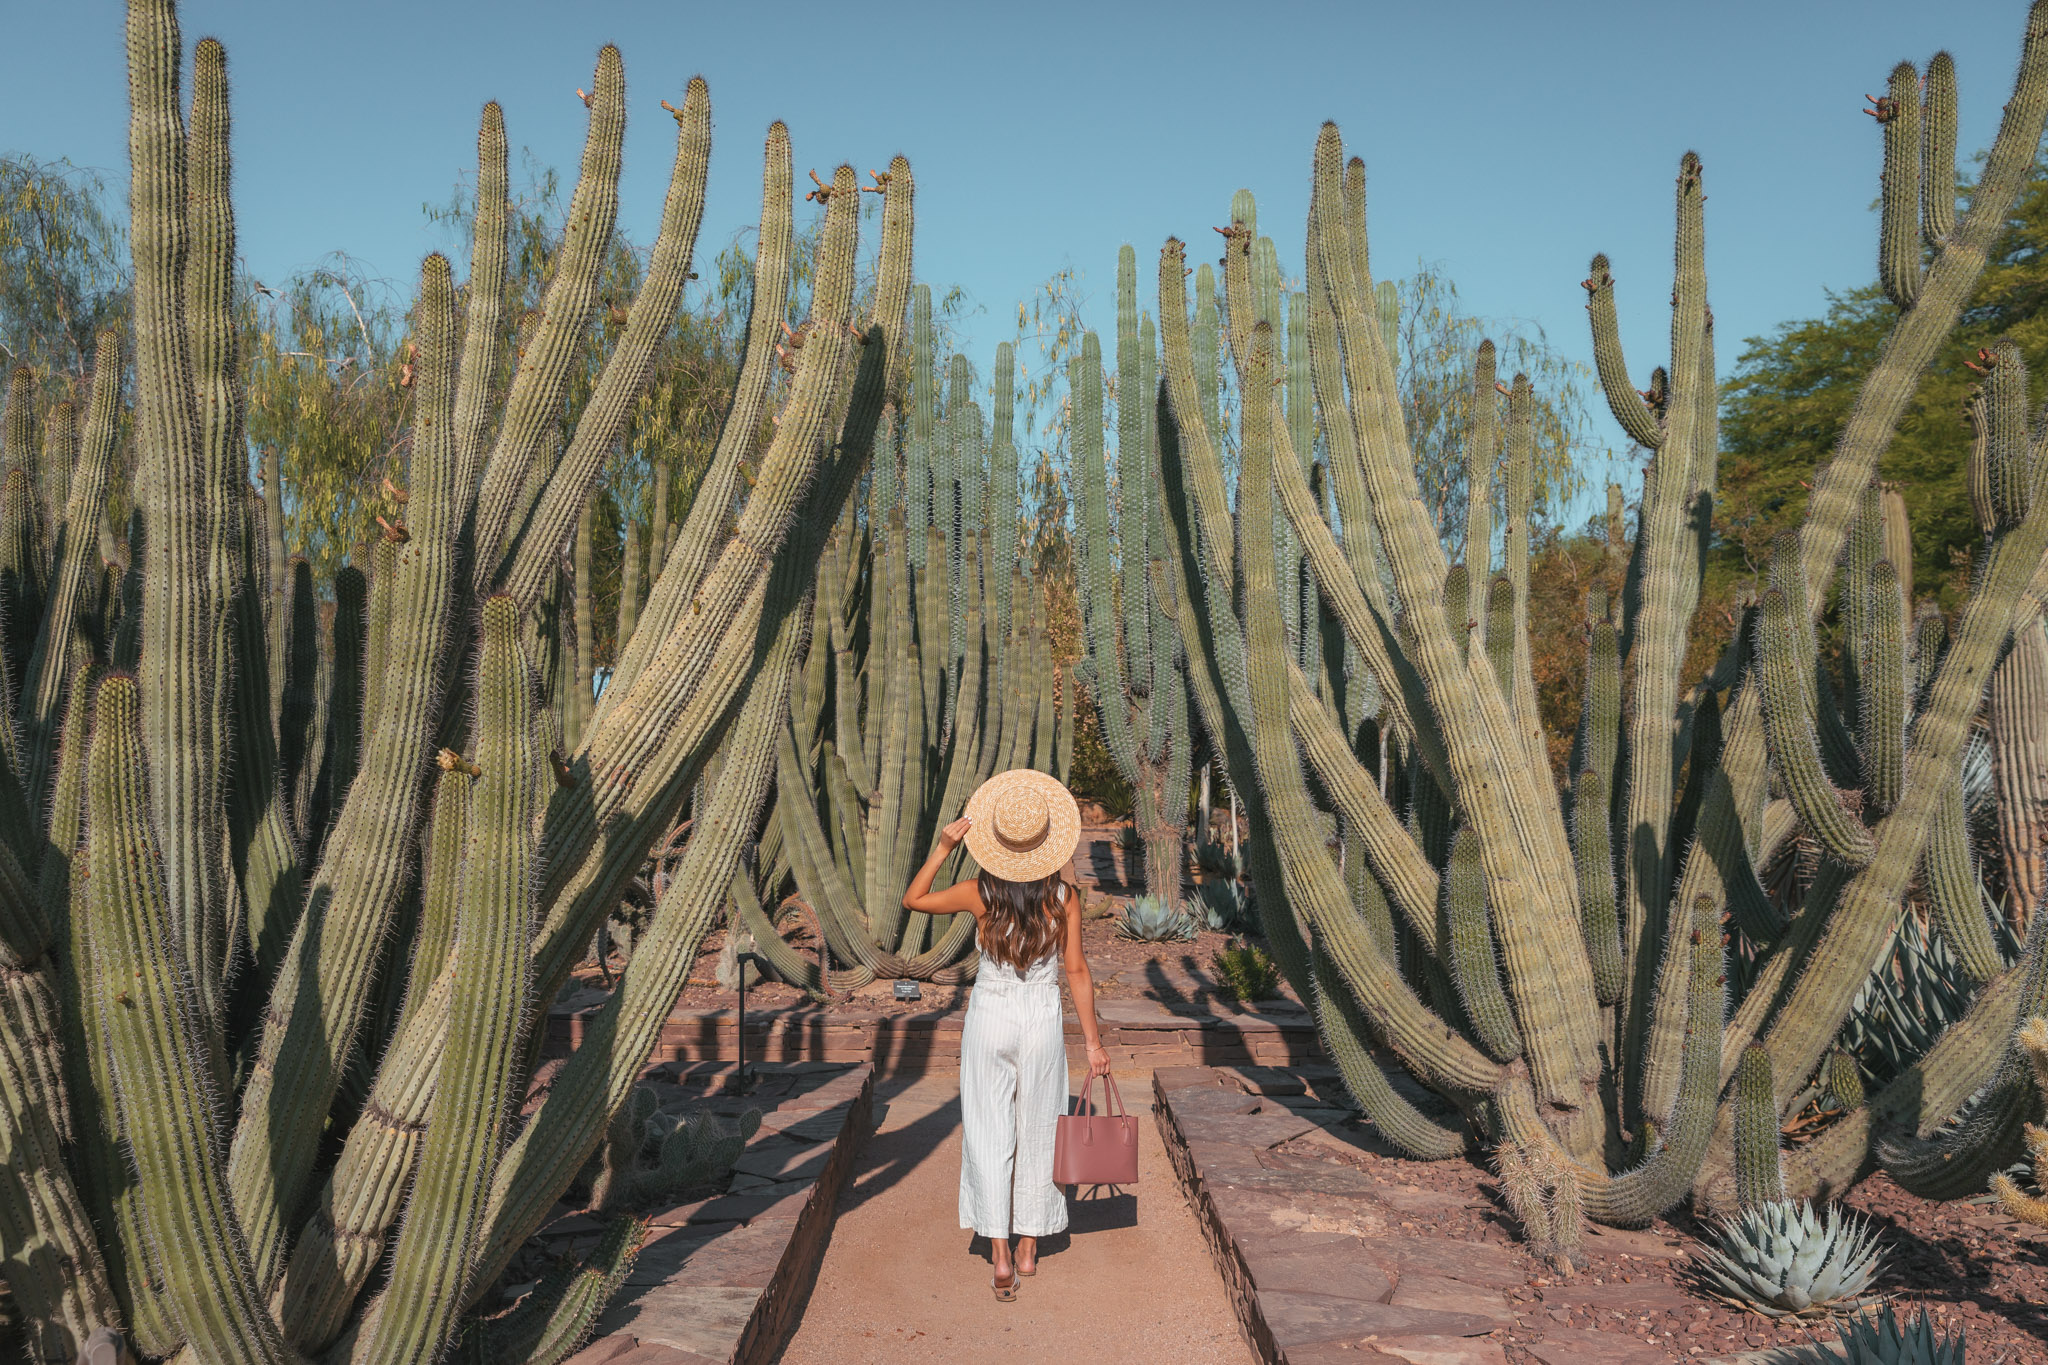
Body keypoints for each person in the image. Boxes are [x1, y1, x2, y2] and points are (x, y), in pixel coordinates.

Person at [901, 768, 1110, 1303]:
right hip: (1040, 1021)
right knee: (1039, 1128)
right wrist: (1092, 1042)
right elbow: (1078, 971)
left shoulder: (978, 892)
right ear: (1046, 841)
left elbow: (914, 900)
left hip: (989, 1018)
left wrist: (946, 845)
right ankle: (1029, 1246)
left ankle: (997, 1253)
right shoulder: (1063, 897)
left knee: (989, 1133)